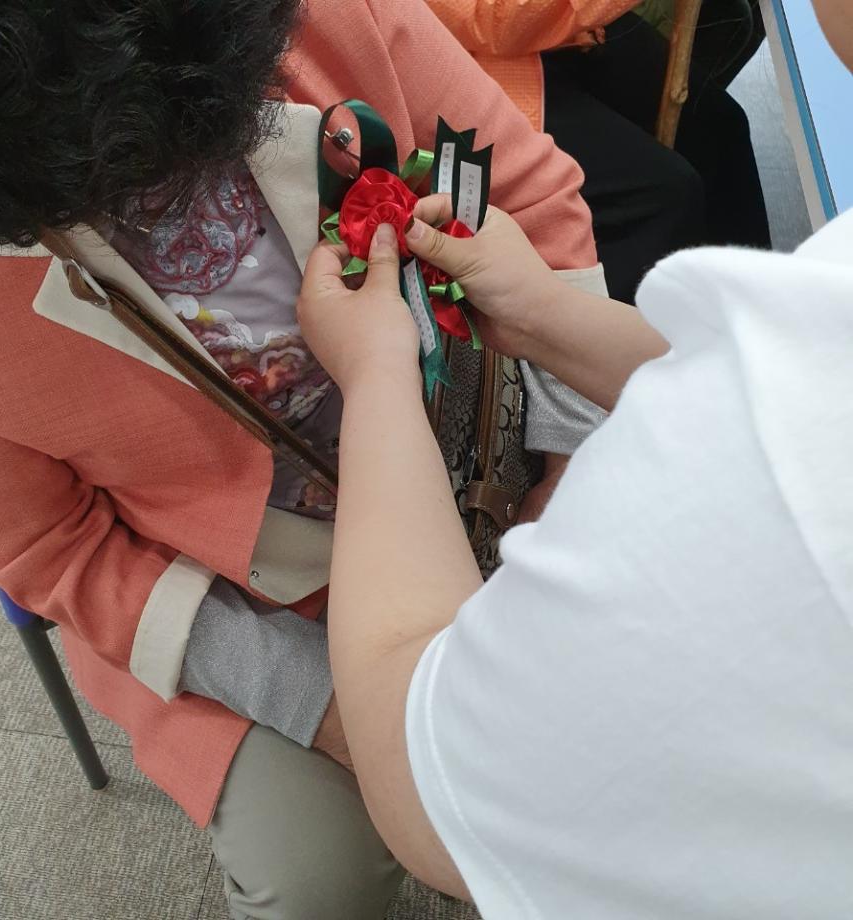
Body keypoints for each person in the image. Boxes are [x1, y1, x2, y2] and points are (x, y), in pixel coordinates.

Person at [0, 1, 610, 917]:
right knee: (317, 880)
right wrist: (330, 710)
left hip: (492, 436)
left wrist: (571, 470)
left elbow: (525, 190)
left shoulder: (315, 18)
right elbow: (55, 552)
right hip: (245, 593)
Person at [295, 0, 853, 912]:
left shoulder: (762, 472)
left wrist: (376, 374)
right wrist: (548, 316)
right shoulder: (795, 371)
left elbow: (428, 776)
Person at [426, 0, 772, 302]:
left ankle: (757, 311)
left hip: (570, 33)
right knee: (666, 194)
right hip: (481, 66)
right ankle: (604, 338)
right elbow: (496, 21)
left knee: (719, 125)